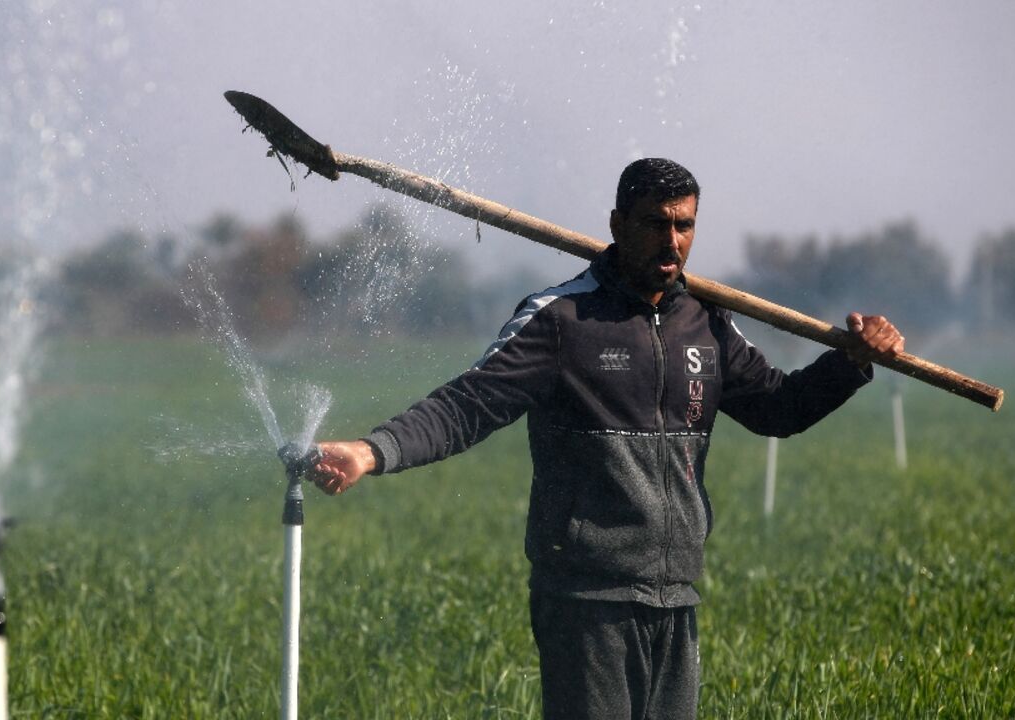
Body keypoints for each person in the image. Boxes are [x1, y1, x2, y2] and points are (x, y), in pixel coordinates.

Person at [307, 158, 904, 719]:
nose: (673, 242)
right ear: (617, 224)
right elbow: (469, 404)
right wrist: (371, 450)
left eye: (685, 225)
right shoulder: (561, 320)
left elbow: (781, 409)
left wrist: (849, 362)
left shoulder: (709, 324)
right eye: (656, 224)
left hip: (676, 593)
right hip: (586, 598)